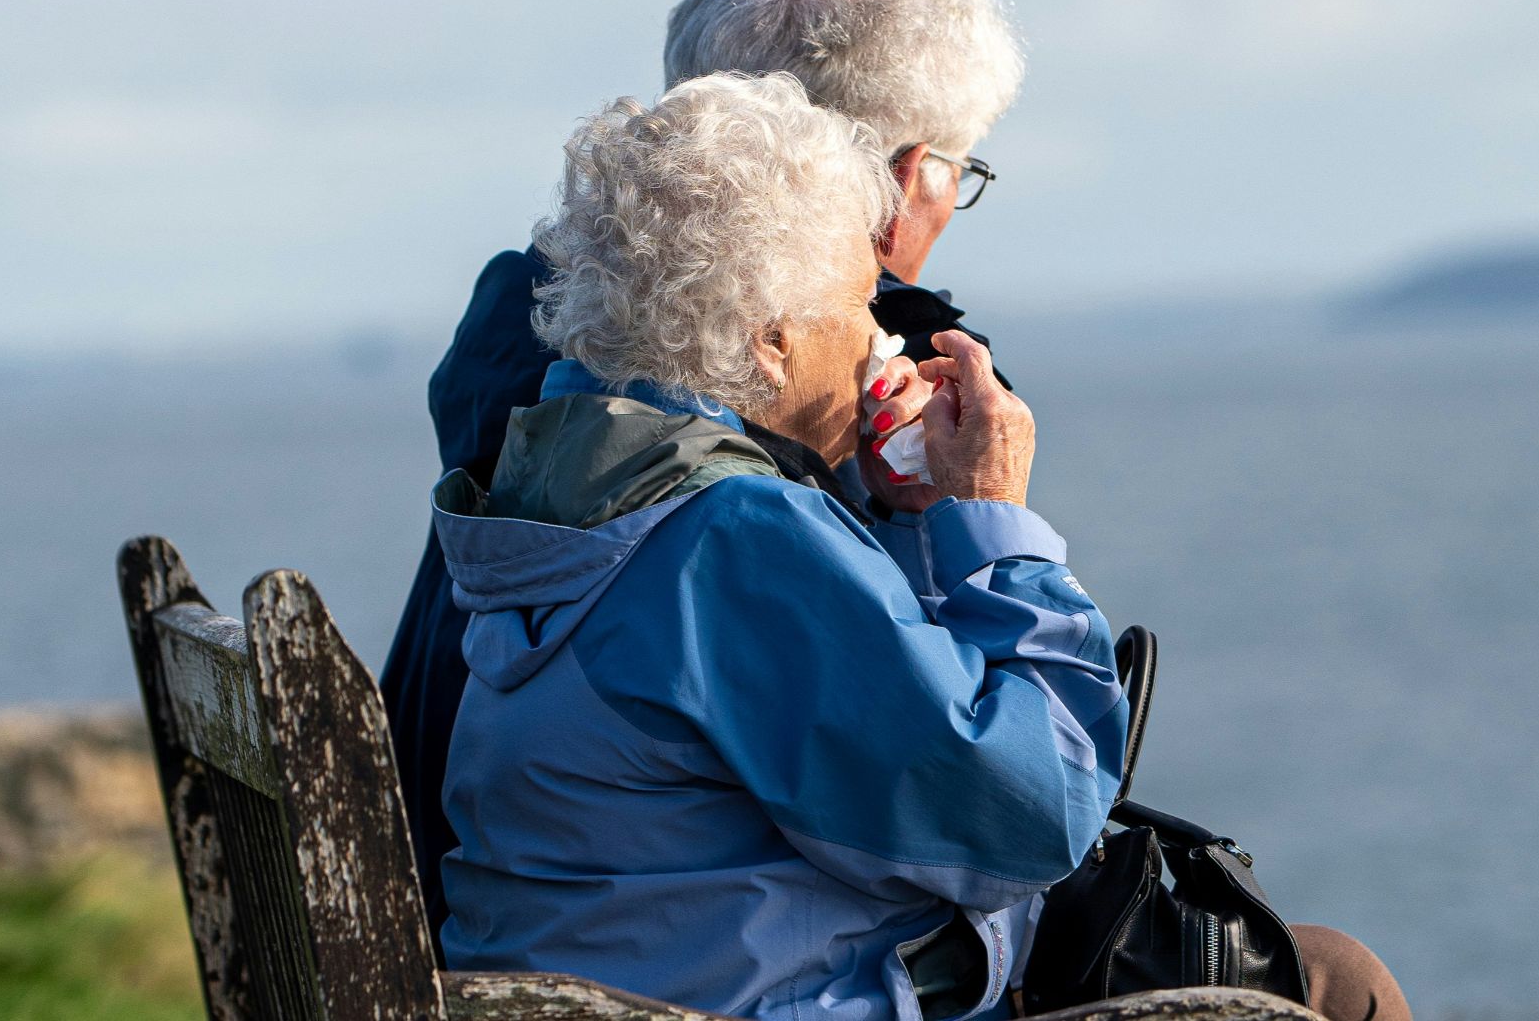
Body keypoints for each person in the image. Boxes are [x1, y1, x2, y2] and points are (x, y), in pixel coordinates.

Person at [431, 72, 1122, 1021]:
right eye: (857, 300)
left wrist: (910, 512)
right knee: (1326, 979)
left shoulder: (573, 477)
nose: (880, 332)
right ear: (770, 342)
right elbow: (1029, 817)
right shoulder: (731, 538)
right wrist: (993, 519)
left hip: (625, 987)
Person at [381, 0, 1025, 950]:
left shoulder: (542, 336)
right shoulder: (825, 406)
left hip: (454, 887)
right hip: (669, 957)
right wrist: (985, 523)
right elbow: (987, 808)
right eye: (961, 168)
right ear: (904, 181)